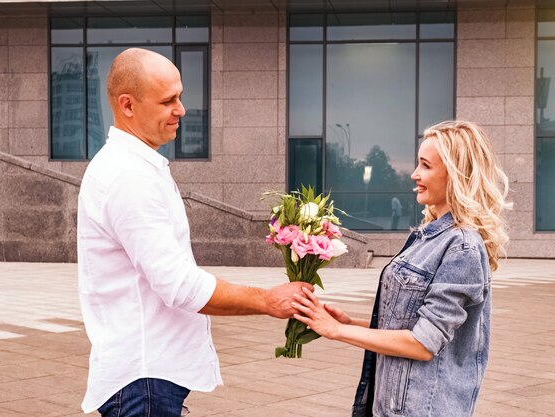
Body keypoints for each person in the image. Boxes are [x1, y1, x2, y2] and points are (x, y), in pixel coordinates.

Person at [77, 48, 311, 417]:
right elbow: (178, 285)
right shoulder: (128, 176)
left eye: (180, 96)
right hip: (143, 382)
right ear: (127, 106)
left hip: (149, 380)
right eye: (168, 100)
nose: (181, 109)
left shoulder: (137, 166)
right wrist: (267, 301)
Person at [292, 120, 511, 417]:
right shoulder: (427, 236)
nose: (415, 174)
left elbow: (423, 344)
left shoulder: (462, 246)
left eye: (425, 166)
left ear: (457, 174)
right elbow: (409, 328)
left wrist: (337, 330)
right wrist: (351, 322)